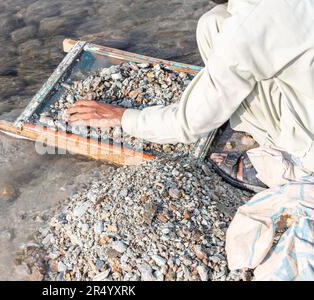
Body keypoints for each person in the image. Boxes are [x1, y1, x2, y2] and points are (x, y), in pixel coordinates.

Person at [68, 0, 314, 279]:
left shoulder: (250, 27)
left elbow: (186, 123)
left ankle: (268, 139)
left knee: (226, 46)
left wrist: (122, 117)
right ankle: (224, 97)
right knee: (213, 23)